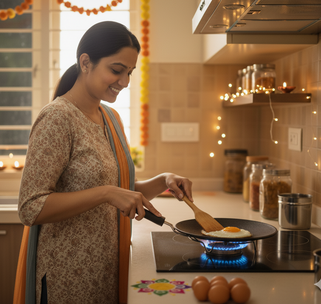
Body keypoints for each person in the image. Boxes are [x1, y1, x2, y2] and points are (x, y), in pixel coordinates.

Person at [16, 21, 193, 304]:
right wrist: (106, 193)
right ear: (85, 62)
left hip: (105, 270)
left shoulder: (110, 118)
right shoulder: (57, 119)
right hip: (67, 276)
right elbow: (30, 207)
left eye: (130, 73)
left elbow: (119, 191)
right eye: (116, 70)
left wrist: (163, 181)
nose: (125, 82)